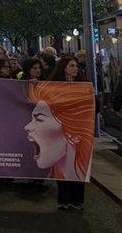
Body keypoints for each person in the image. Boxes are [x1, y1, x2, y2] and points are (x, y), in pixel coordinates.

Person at [27, 60, 93, 210]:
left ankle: (77, 200)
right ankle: (63, 199)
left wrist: (91, 98)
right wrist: (32, 84)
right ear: (63, 68)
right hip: (59, 132)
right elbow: (41, 98)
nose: (75, 69)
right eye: (71, 66)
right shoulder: (53, 85)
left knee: (77, 163)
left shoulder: (84, 86)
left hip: (79, 130)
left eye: (76, 66)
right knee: (62, 165)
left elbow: (92, 108)